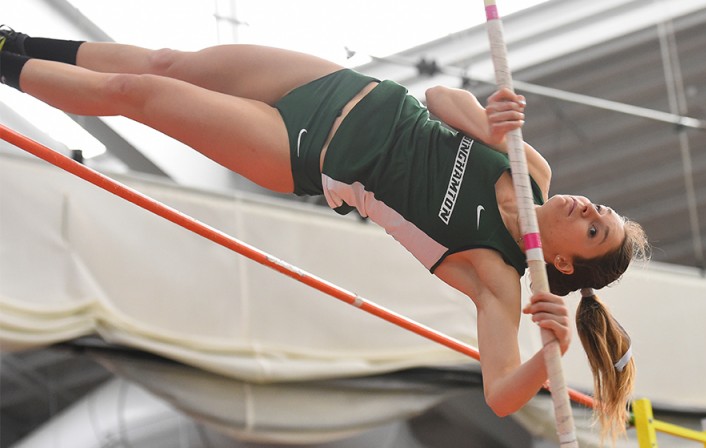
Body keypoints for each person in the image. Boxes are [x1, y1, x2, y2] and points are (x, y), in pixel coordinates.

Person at [0, 27, 648, 440]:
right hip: (338, 89)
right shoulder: (529, 168)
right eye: (603, 210)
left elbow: (502, 396)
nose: (589, 206)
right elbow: (441, 100)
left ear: (563, 259)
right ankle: (16, 39)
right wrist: (492, 124)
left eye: (594, 228)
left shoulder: (496, 277)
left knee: (133, 92)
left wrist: (548, 355)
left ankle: (3, 62)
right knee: (167, 61)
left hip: (303, 151)